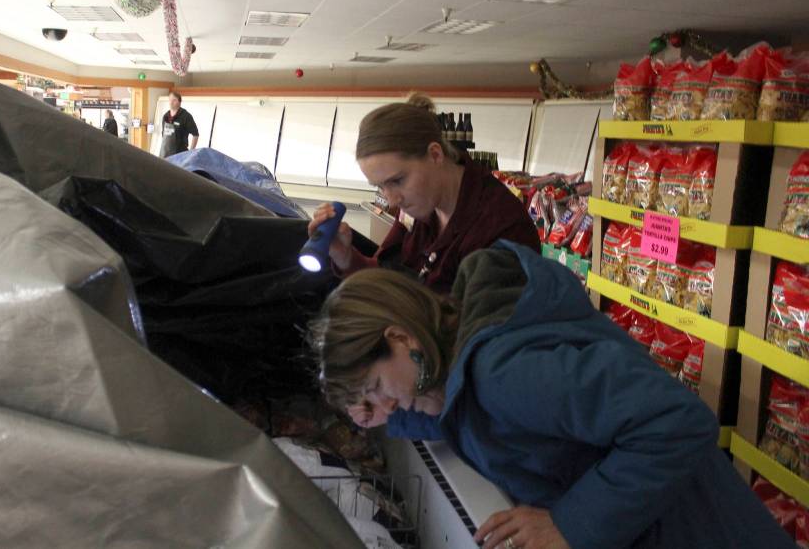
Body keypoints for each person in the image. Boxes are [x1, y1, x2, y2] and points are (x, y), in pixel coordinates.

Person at [309, 241, 795, 549]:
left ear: (400, 339)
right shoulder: (457, 365)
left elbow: (677, 422)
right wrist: (376, 411)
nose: (386, 404)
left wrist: (569, 525)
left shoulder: (506, 374)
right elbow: (453, 410)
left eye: (376, 388)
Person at [309, 93, 538, 294]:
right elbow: (385, 277)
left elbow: (482, 333)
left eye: (397, 180)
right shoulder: (419, 209)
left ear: (435, 155)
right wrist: (345, 256)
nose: (392, 199)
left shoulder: (501, 230)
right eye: (380, 186)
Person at [160, 92, 199, 158]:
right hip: (166, 154)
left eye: (174, 100)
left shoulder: (186, 116)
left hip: (180, 154)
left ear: (179, 102)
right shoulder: (165, 116)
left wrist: (190, 153)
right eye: (170, 100)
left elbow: (195, 135)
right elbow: (163, 135)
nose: (171, 102)